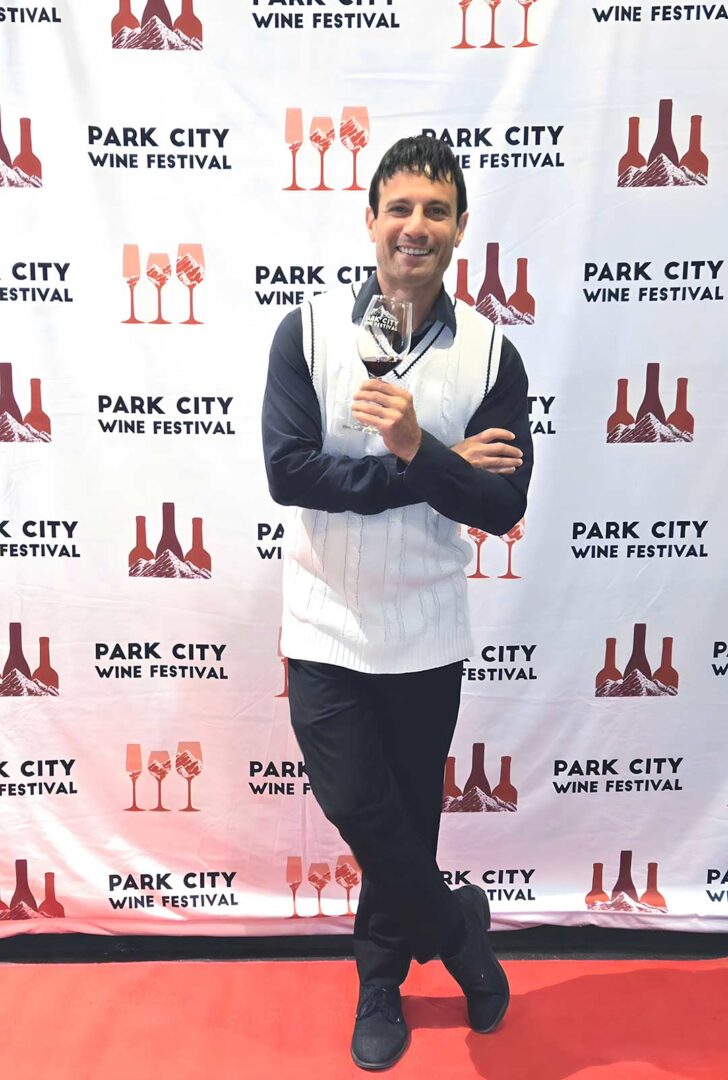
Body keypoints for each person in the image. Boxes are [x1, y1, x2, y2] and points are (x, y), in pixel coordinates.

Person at [262, 135, 533, 1070]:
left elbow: (504, 508)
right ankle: (458, 933)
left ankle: (380, 979)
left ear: (461, 229)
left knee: (409, 820)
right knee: (360, 809)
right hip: (326, 624)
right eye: (400, 207)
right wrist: (428, 467)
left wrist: (421, 450)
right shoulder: (305, 332)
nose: (416, 227)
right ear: (370, 218)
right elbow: (288, 474)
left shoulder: (494, 353)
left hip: (425, 633)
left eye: (436, 210)